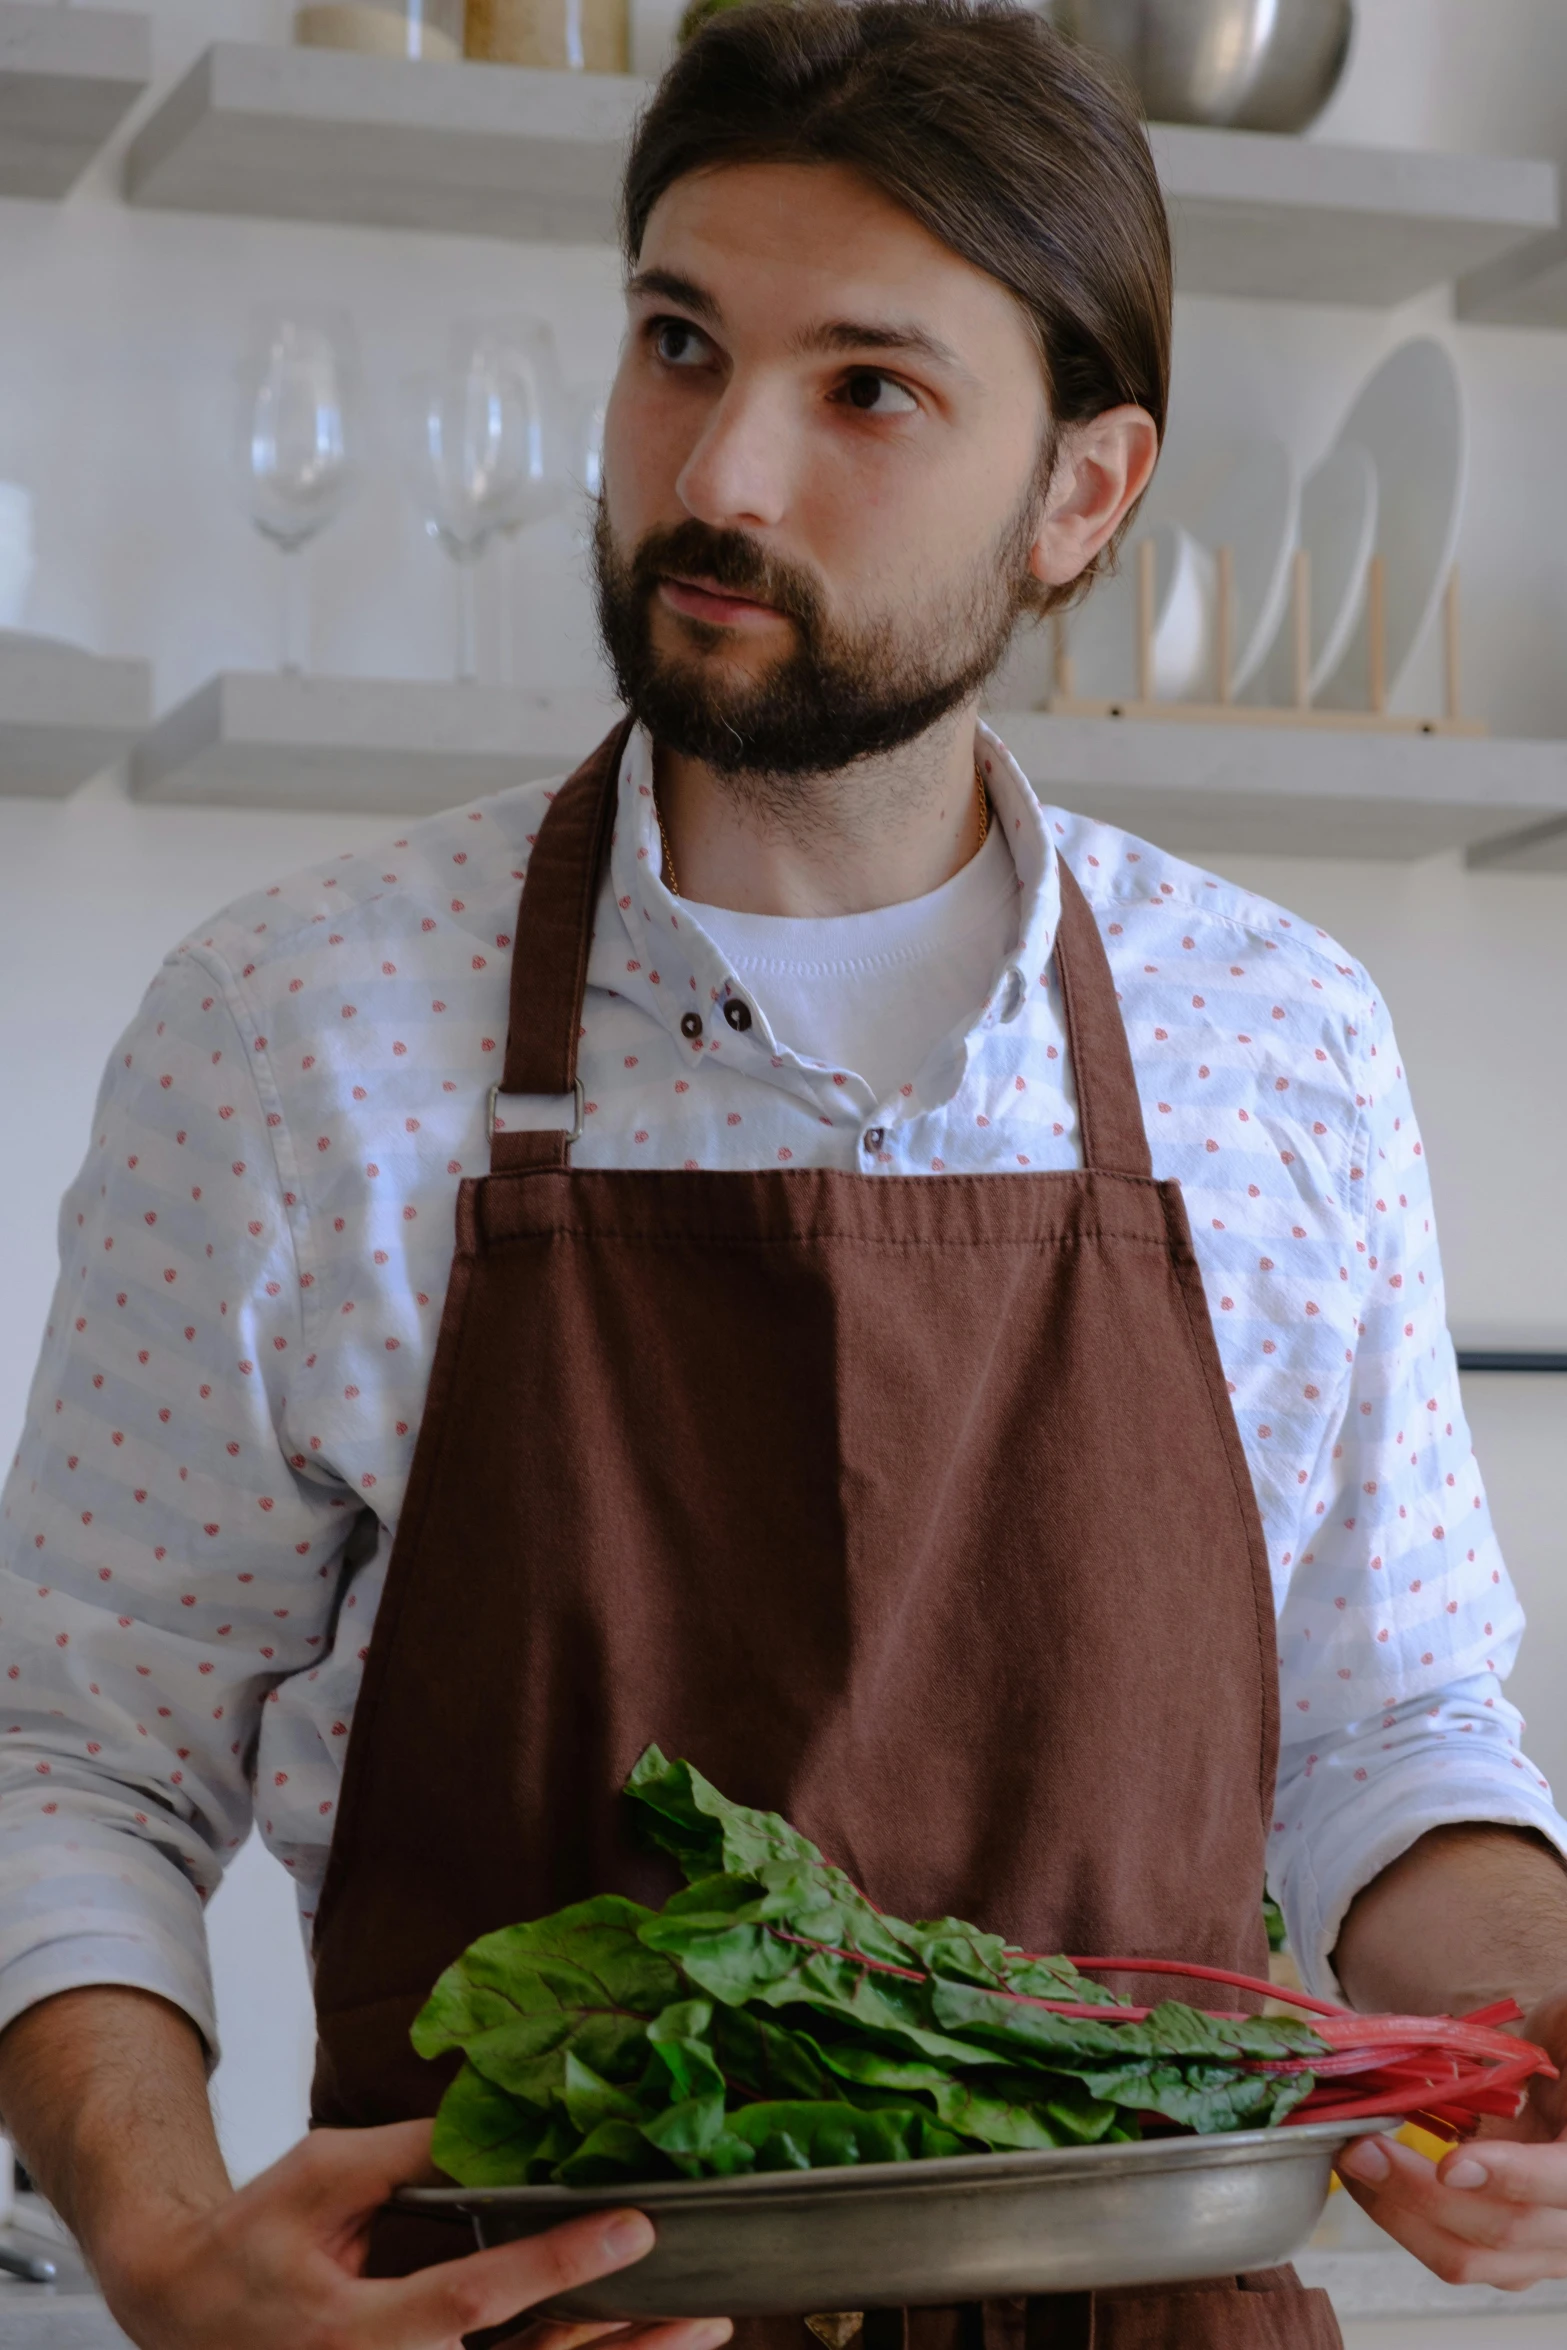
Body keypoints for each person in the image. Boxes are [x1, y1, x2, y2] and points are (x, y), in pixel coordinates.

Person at [2, 5, 1566, 2346]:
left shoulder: (1280, 1043)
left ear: (1085, 490)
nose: (714, 465)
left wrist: (1518, 2041)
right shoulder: (299, 1029)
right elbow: (74, 1759)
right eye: (675, 341)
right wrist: (150, 2236)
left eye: (866, 388)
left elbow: (1392, 1726)